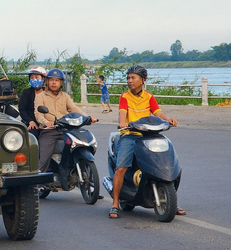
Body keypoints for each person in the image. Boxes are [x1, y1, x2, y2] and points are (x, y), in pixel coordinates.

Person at [109, 65, 180, 219]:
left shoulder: (149, 96)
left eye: (133, 77)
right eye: (128, 78)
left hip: (148, 135)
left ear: (142, 80)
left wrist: (168, 120)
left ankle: (172, 200)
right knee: (121, 168)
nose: (129, 81)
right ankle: (115, 203)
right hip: (130, 135)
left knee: (167, 162)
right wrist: (122, 123)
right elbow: (123, 112)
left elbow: (157, 112)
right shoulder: (124, 97)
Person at [34, 69, 97, 173]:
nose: (54, 83)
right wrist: (46, 122)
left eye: (57, 80)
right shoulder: (40, 97)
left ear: (61, 83)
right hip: (49, 131)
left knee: (80, 145)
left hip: (66, 129)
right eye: (51, 80)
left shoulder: (65, 96)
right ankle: (38, 182)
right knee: (44, 159)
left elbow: (74, 109)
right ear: (47, 82)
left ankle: (74, 169)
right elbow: (38, 114)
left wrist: (88, 117)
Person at [18, 66, 47, 140]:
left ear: (43, 79)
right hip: (32, 124)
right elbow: (22, 109)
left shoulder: (47, 93)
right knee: (31, 137)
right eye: (32, 78)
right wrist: (30, 121)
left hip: (47, 123)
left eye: (37, 77)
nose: (34, 80)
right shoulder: (26, 93)